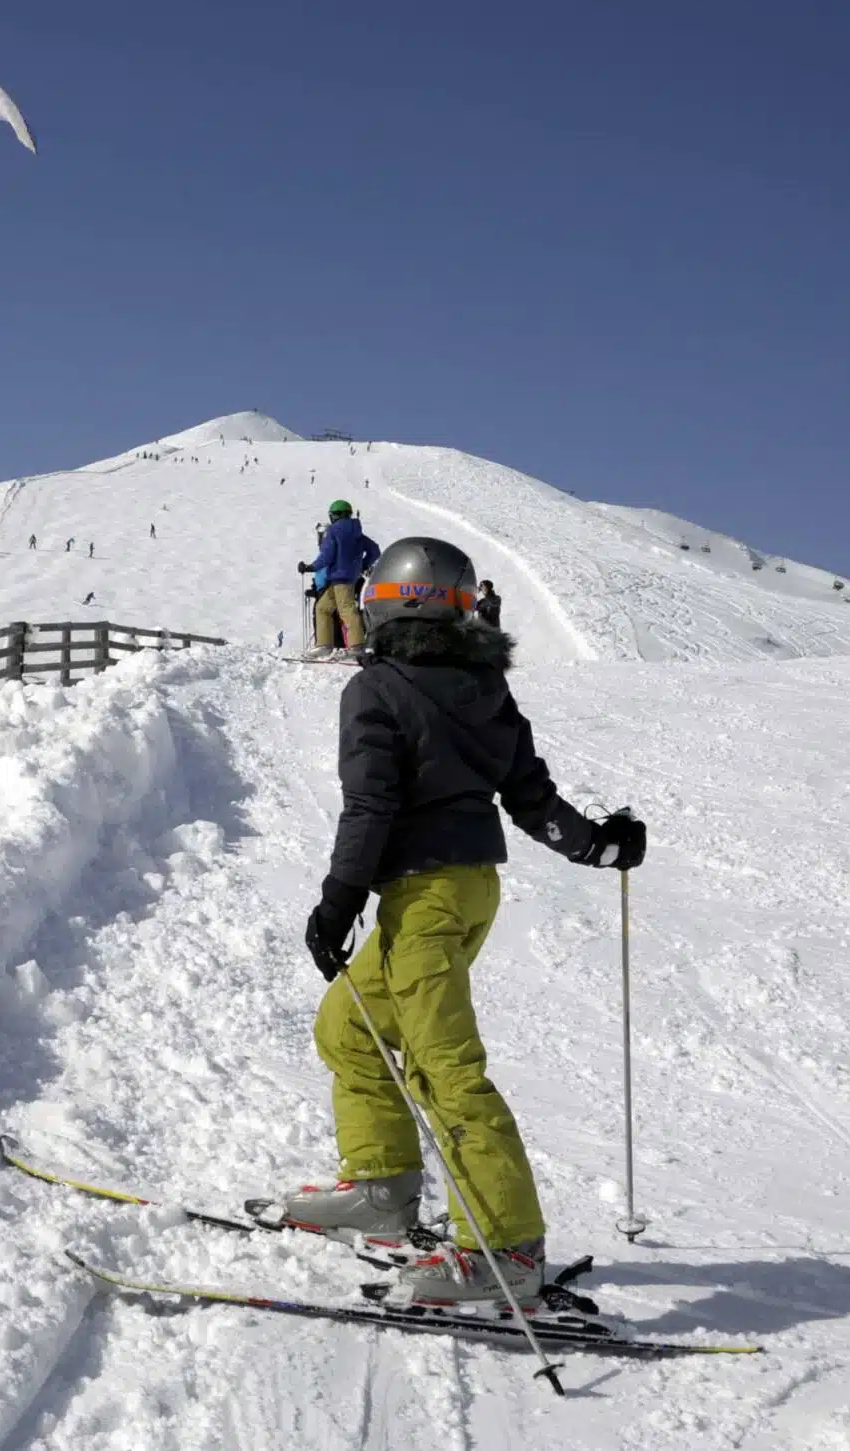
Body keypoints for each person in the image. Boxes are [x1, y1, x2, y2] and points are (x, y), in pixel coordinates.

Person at [269, 537, 646, 1305]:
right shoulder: (483, 687)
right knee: (349, 1026)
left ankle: (505, 1248)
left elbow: (370, 806)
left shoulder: (375, 690)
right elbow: (532, 798)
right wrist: (597, 845)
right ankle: (381, 1185)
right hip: (466, 890)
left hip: (426, 899)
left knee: (445, 1068)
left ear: (390, 605)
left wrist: (338, 901)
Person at [298, 500, 380, 651]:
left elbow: (327, 556)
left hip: (339, 577)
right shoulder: (357, 533)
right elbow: (375, 550)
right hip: (346, 578)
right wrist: (362, 565)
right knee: (323, 608)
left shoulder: (333, 531)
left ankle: (356, 646)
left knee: (347, 610)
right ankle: (324, 645)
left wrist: (310, 567)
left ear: (335, 515)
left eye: (332, 514)